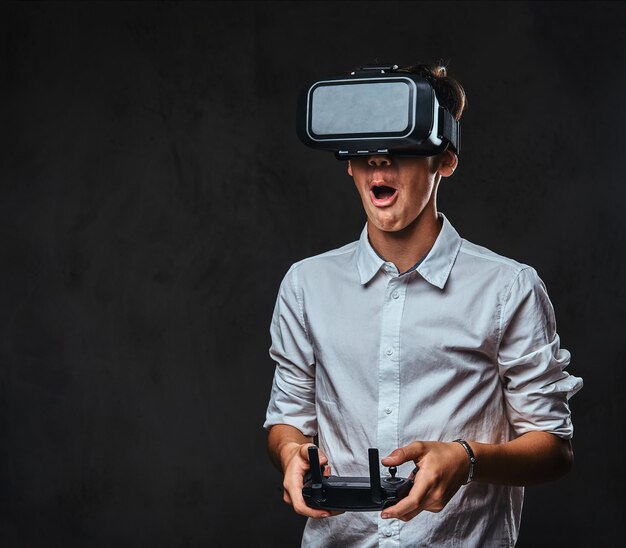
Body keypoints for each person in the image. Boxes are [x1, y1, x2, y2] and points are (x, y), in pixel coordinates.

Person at [263, 62, 583, 547]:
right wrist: (291, 455)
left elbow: (554, 448)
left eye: (401, 148)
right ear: (349, 162)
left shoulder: (509, 288)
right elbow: (288, 418)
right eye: (365, 151)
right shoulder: (306, 285)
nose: (379, 163)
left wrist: (468, 459)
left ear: (445, 160)